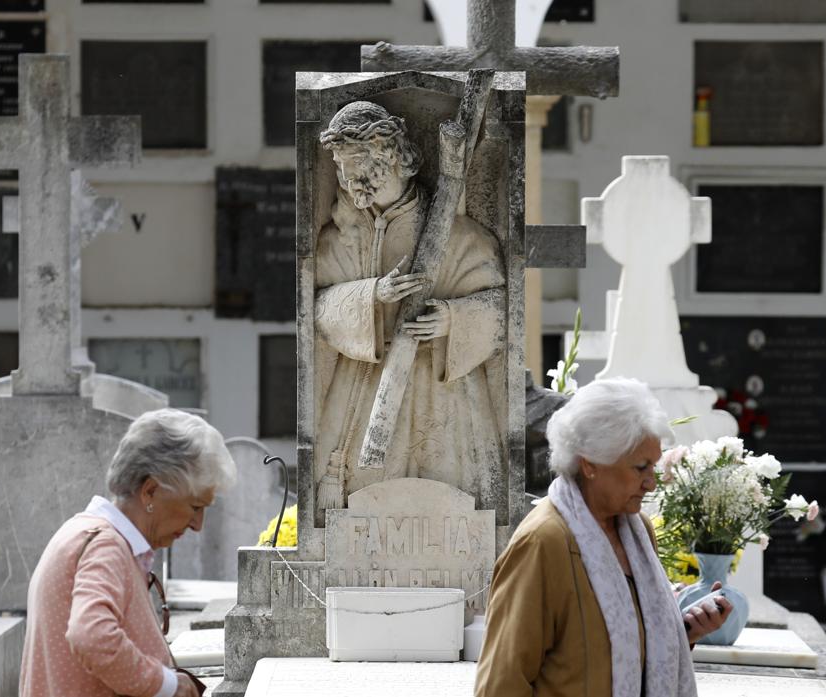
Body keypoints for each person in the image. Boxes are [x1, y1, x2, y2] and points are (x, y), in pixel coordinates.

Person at [474, 378, 733, 697]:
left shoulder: (638, 531)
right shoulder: (543, 544)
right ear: (590, 464)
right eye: (640, 468)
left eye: (653, 465)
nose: (651, 483)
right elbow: (502, 683)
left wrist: (683, 632)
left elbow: (624, 654)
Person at [313, 100, 506, 521]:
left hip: (443, 388)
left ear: (395, 159)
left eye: (361, 169)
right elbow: (318, 312)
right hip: (365, 382)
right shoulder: (339, 239)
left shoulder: (459, 234)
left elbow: (500, 312)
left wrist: (452, 319)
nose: (351, 183)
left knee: (444, 489)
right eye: (344, 173)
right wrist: (372, 295)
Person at [20, 409, 236, 697]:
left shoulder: (91, 534)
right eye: (195, 507)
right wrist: (167, 685)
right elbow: (91, 636)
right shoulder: (104, 545)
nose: (198, 525)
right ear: (150, 491)